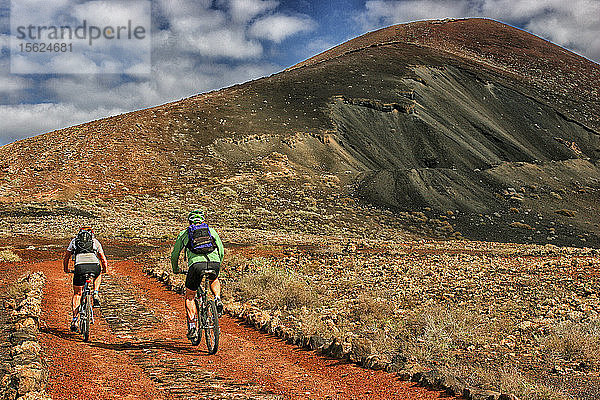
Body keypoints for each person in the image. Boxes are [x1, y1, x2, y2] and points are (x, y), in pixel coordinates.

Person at [171, 210, 224, 340]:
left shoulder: (185, 234)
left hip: (196, 266)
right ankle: (217, 298)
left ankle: (193, 327)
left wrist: (175, 269)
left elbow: (175, 254)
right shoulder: (211, 231)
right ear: (203, 221)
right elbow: (221, 250)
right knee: (214, 279)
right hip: (214, 263)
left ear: (189, 222)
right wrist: (218, 264)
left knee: (190, 296)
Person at [63, 227, 108, 332]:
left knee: (78, 294)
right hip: (94, 266)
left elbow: (66, 258)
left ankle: (75, 319)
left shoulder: (74, 241)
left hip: (79, 267)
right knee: (98, 274)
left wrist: (66, 269)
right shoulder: (95, 242)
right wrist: (104, 269)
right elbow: (103, 259)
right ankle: (95, 292)